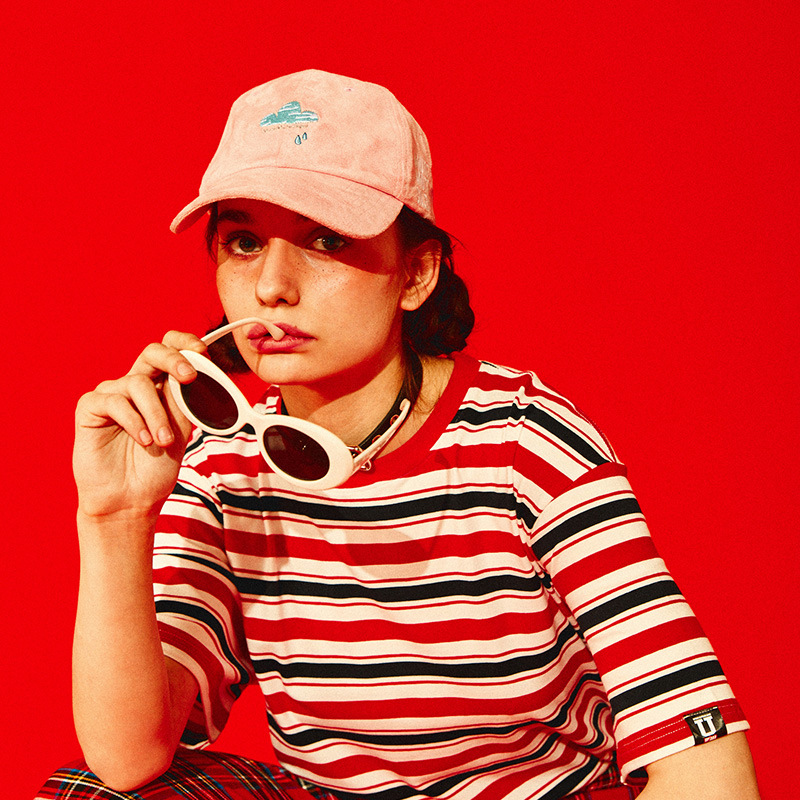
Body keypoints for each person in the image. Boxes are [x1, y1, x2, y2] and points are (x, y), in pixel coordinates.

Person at [37, 69, 760, 800]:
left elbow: (706, 761)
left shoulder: (527, 442)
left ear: (415, 274)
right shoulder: (225, 462)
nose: (272, 286)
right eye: (244, 242)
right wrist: (114, 518)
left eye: (325, 239)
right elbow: (127, 759)